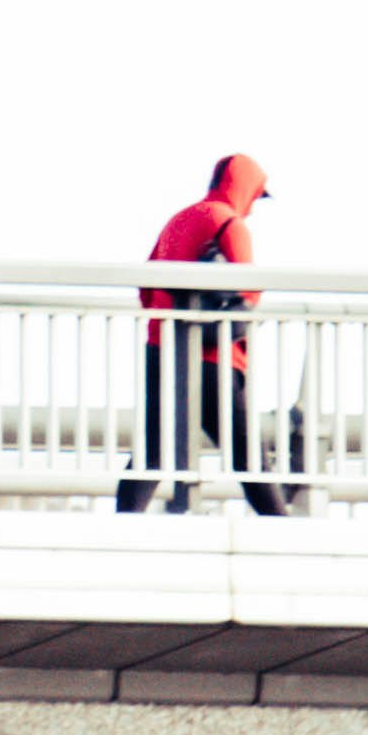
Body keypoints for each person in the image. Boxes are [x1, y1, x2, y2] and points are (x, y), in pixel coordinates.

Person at [117, 151, 290, 514]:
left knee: (154, 450)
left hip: (163, 351)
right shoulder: (230, 224)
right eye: (256, 197)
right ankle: (288, 538)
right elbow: (249, 293)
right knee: (250, 460)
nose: (254, 208)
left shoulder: (178, 220)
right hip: (215, 361)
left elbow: (146, 289)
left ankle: (122, 528)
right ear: (244, 189)